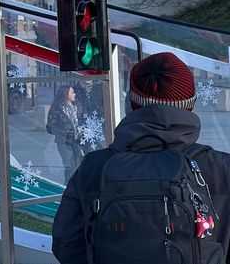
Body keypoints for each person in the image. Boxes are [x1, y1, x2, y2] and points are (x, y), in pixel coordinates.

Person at [52, 52, 230, 264]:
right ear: (190, 105)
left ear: (132, 103)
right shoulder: (221, 168)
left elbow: (66, 243)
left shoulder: (94, 166)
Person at [47, 85, 84, 183]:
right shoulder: (57, 109)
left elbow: (81, 121)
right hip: (64, 142)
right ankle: (68, 186)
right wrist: (64, 133)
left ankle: (76, 186)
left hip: (77, 141)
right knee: (69, 165)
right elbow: (50, 127)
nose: (74, 94)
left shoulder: (77, 106)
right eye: (72, 92)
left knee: (78, 164)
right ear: (65, 94)